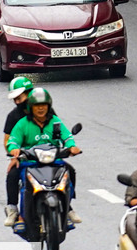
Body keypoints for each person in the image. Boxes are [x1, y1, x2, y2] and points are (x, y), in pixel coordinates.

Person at [5, 87, 81, 226]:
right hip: (29, 161)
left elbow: (67, 136)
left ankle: (67, 208)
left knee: (70, 172)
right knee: (13, 174)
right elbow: (13, 140)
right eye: (37, 106)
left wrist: (72, 146)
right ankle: (15, 211)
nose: (41, 109)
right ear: (31, 107)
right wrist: (14, 149)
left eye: (43, 105)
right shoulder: (23, 124)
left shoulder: (55, 122)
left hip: (54, 161)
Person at [3, 76, 35, 144]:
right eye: (15, 99)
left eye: (19, 98)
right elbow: (7, 141)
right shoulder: (12, 116)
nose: (17, 102)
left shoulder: (44, 110)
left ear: (29, 94)